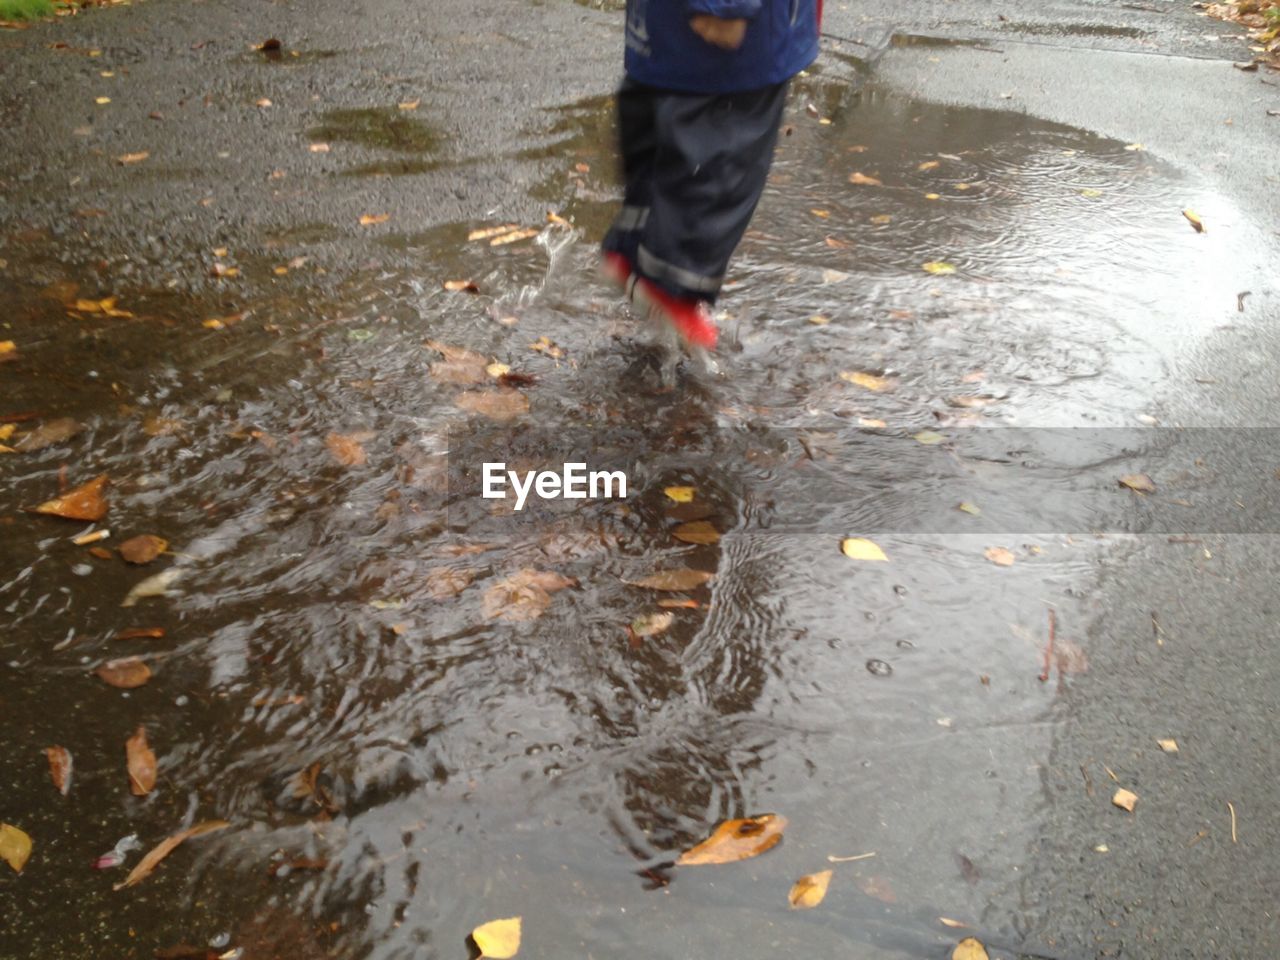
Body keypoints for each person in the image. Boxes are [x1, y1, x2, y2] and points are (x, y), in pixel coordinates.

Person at [601, 0, 821, 352]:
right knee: (724, 151)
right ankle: (671, 277)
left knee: (667, 118)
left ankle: (636, 245)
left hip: (663, 27)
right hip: (735, 39)